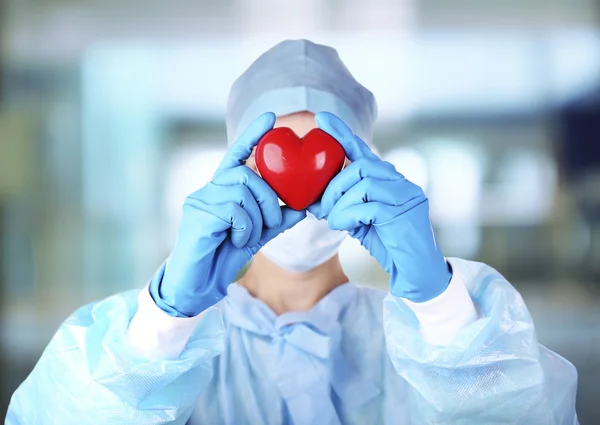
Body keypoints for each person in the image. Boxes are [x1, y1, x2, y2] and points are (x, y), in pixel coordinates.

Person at [6, 39, 578, 425]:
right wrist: (164, 320)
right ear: (233, 170)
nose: (300, 198)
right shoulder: (138, 349)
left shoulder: (445, 342)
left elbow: (523, 412)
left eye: (331, 165)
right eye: (268, 161)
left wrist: (441, 306)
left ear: (366, 171)